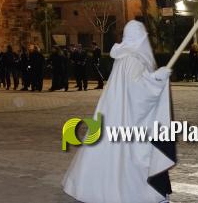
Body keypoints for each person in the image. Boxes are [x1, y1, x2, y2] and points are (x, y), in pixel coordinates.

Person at [62, 20, 175, 203]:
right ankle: (139, 193)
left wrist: (154, 78)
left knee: (111, 155)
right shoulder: (133, 59)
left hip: (116, 115)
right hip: (127, 120)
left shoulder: (124, 57)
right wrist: (157, 79)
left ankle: (99, 188)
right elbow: (138, 91)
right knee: (131, 157)